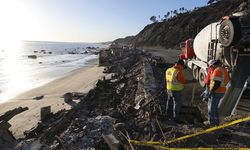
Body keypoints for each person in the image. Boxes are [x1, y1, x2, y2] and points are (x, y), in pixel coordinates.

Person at [205, 59, 229, 126]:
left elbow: (216, 83)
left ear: (213, 65)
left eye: (210, 66)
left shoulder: (217, 71)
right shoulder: (223, 69)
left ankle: (211, 122)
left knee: (211, 108)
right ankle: (216, 121)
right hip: (222, 91)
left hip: (216, 91)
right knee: (215, 107)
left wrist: (211, 92)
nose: (210, 68)